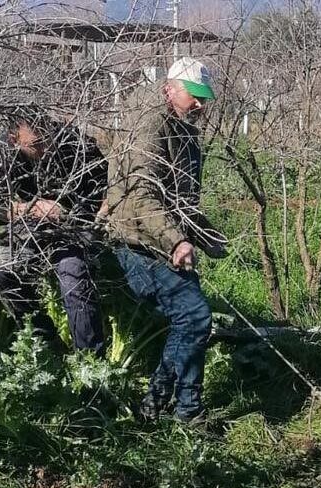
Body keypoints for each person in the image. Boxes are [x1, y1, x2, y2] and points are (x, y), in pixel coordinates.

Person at [103, 57, 228, 423]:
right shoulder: (150, 123)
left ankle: (179, 408)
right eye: (196, 97)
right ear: (170, 88)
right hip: (137, 242)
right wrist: (176, 241)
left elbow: (182, 200)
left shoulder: (185, 127)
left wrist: (204, 235)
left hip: (163, 240)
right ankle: (168, 407)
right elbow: (140, 195)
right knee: (193, 315)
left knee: (192, 319)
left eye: (206, 98)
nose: (202, 105)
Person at [0, 108, 108, 355]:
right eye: (37, 144)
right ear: (14, 140)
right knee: (0, 272)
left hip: (76, 223)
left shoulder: (74, 143)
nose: (47, 148)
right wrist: (31, 208)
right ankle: (47, 345)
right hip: (31, 224)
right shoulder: (1, 155)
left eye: (49, 138)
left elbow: (106, 187)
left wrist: (96, 220)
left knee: (73, 278)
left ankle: (91, 362)